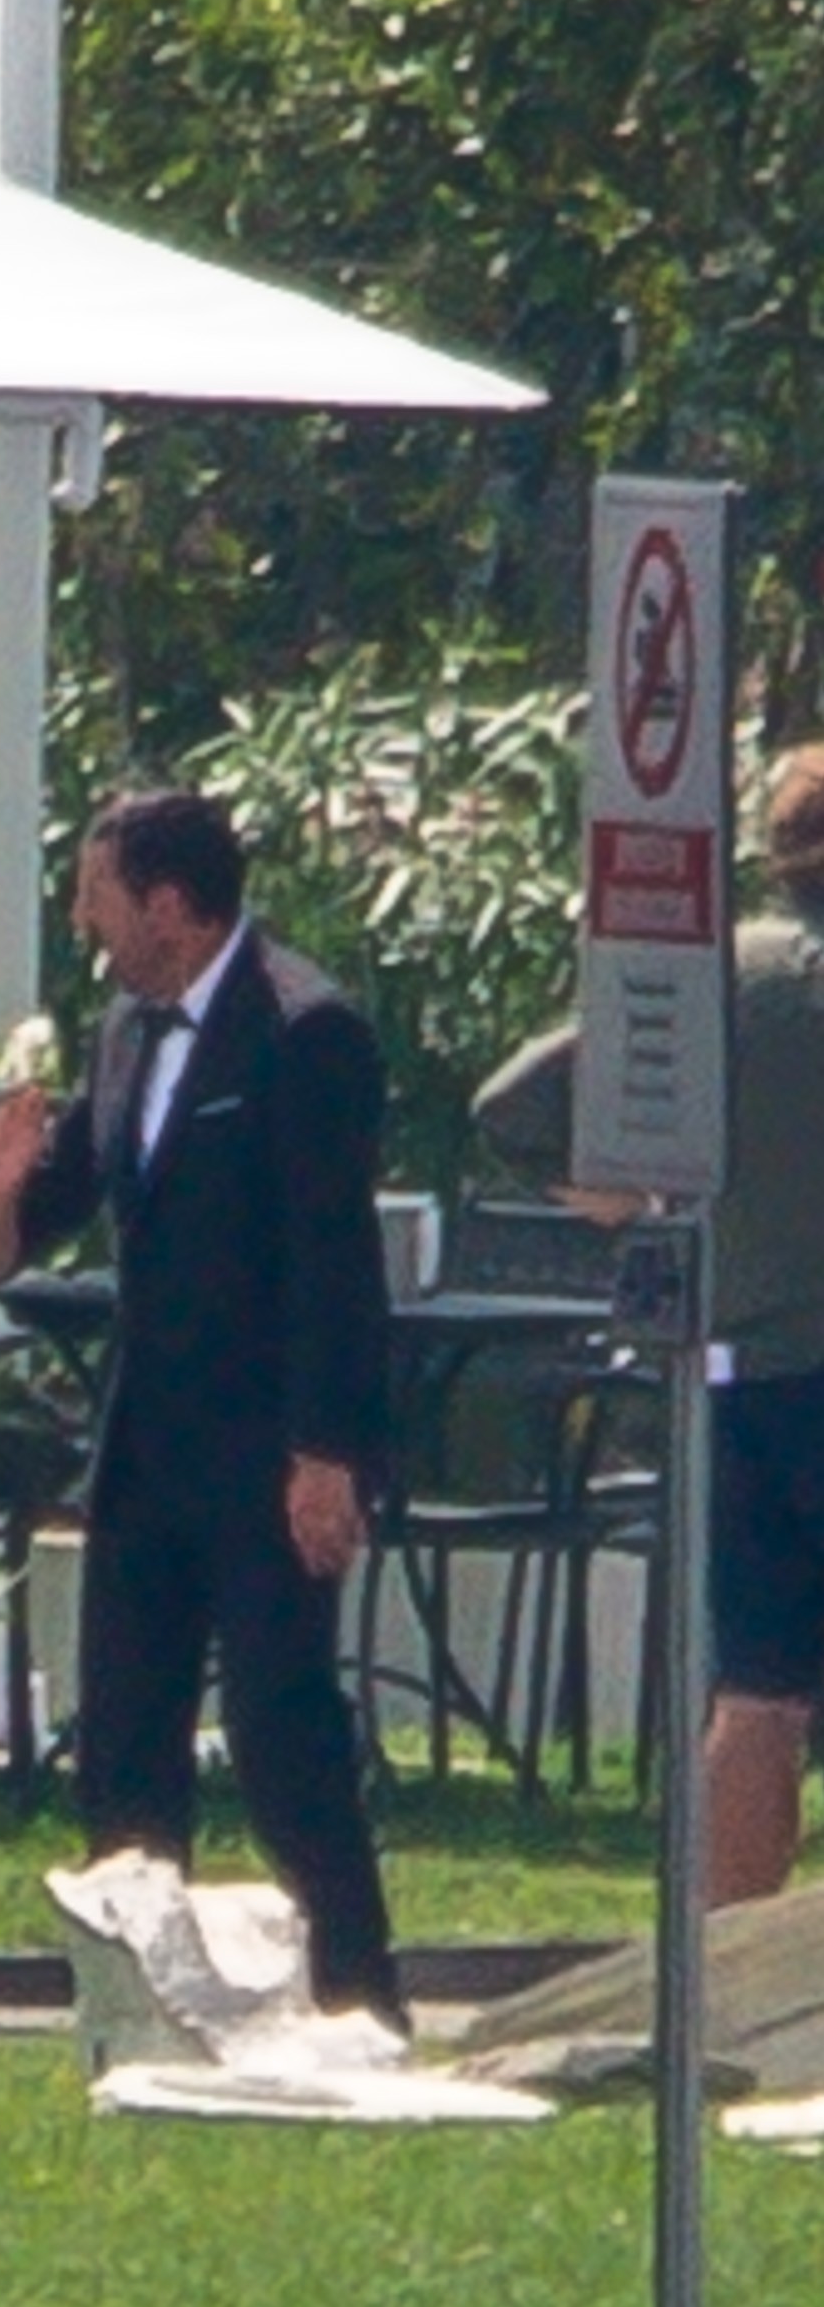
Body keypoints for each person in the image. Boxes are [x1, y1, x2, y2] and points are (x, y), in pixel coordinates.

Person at [0, 788, 404, 2028]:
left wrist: (327, 1452)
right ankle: (139, 2007)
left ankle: (359, 1996)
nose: (83, 921)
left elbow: (333, 1258)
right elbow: (46, 1205)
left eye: (96, 895)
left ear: (169, 903)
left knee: (281, 1733)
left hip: (269, 1455)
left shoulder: (305, 1029)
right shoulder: (123, 1031)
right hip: (145, 1454)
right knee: (123, 1740)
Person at [474, 738, 824, 1907]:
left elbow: (512, 1101)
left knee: (757, 1695)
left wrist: (620, 1181)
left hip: (738, 1383)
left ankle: (726, 1964)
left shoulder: (715, 979)